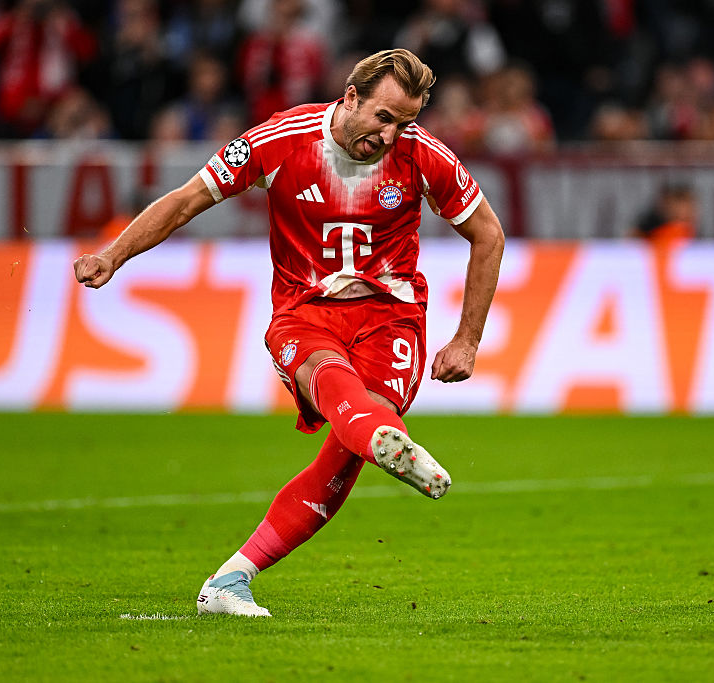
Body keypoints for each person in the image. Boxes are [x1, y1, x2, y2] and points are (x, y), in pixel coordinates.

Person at [72, 48, 505, 617]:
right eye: (383, 117)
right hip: (306, 312)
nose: (391, 134)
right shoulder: (280, 139)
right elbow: (186, 201)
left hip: (391, 318)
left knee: (344, 454)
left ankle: (230, 581)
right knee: (332, 384)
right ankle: (383, 439)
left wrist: (467, 340)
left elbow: (489, 234)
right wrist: (114, 254)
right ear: (350, 97)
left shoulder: (423, 156)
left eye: (405, 122)